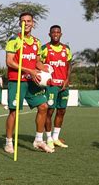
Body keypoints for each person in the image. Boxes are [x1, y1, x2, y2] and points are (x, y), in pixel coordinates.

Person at [4, 12, 54, 154]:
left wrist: (45, 70)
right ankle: (8, 142)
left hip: (32, 81)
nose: (26, 23)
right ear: (20, 23)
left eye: (29, 21)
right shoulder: (14, 40)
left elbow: (37, 61)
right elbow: (9, 62)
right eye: (23, 21)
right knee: (14, 112)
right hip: (17, 81)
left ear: (33, 23)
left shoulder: (37, 42)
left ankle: (38, 140)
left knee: (43, 106)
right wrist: (30, 70)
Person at [40, 25, 73, 149]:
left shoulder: (66, 49)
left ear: (61, 34)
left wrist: (67, 79)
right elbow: (38, 64)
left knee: (61, 111)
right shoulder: (45, 49)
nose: (55, 34)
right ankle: (48, 138)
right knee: (49, 111)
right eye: (53, 32)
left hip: (63, 86)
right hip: (51, 86)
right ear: (49, 34)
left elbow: (68, 66)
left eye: (58, 32)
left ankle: (55, 137)